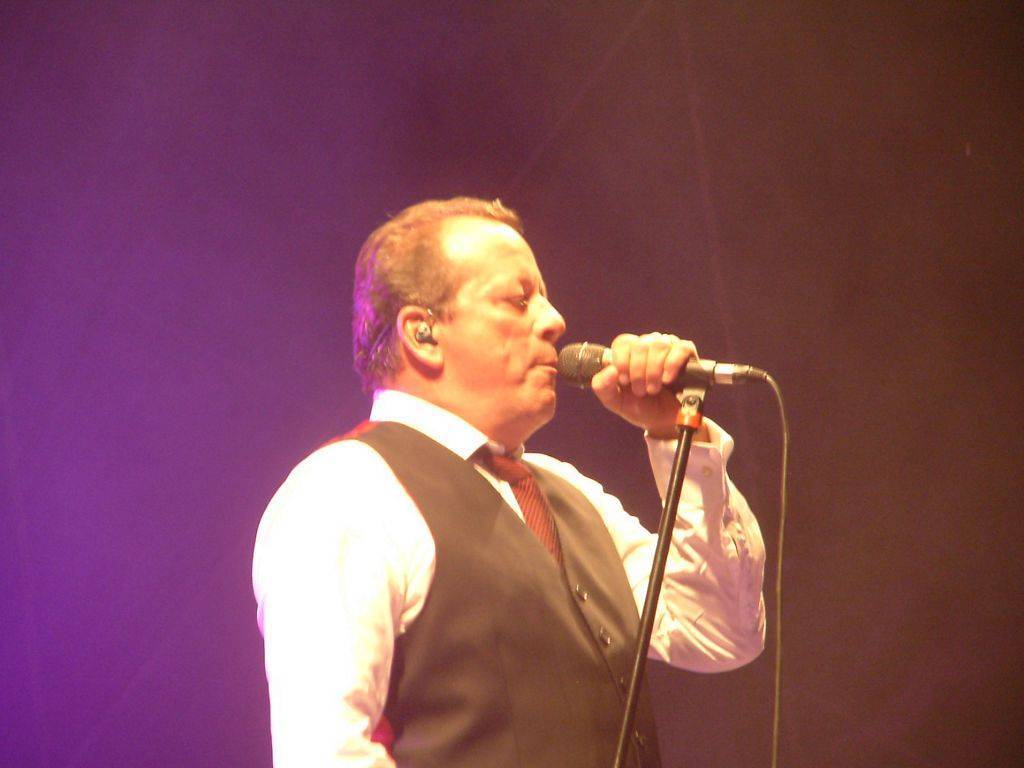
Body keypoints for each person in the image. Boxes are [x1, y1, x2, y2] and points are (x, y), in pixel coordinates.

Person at [253, 197, 766, 768]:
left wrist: (677, 435)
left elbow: (723, 632)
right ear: (423, 334)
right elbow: (328, 754)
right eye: (519, 301)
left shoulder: (565, 491)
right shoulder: (345, 491)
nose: (554, 320)